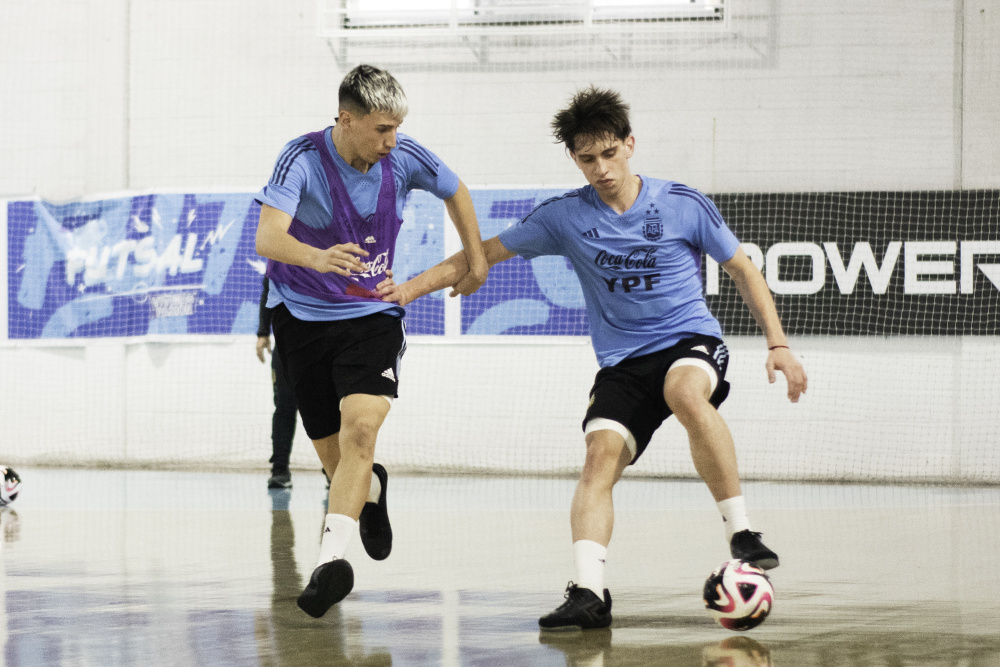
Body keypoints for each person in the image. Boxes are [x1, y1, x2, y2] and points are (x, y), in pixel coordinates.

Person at [380, 87, 807, 631]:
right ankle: (589, 593)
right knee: (598, 460)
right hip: (622, 362)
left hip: (689, 341)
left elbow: (743, 270)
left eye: (609, 153)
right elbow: (481, 253)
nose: (601, 168)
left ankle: (741, 531)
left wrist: (778, 345)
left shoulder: (682, 203)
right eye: (588, 159)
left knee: (683, 392)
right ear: (574, 158)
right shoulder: (564, 216)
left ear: (630, 144)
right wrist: (407, 291)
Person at [254, 64, 489, 619]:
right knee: (337, 463)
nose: (392, 140)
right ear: (346, 119)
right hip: (301, 318)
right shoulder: (301, 158)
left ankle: (330, 562)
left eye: (397, 127)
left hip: (371, 315)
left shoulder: (403, 158)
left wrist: (476, 259)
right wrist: (317, 257)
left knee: (362, 428)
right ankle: (374, 490)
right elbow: (267, 237)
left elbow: (456, 190)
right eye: (382, 129)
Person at [256, 276, 299, 489]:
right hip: (285, 344)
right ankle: (280, 469)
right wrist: (263, 333)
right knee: (284, 407)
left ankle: (333, 472)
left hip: (321, 342)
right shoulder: (278, 262)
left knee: (327, 408)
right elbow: (268, 291)